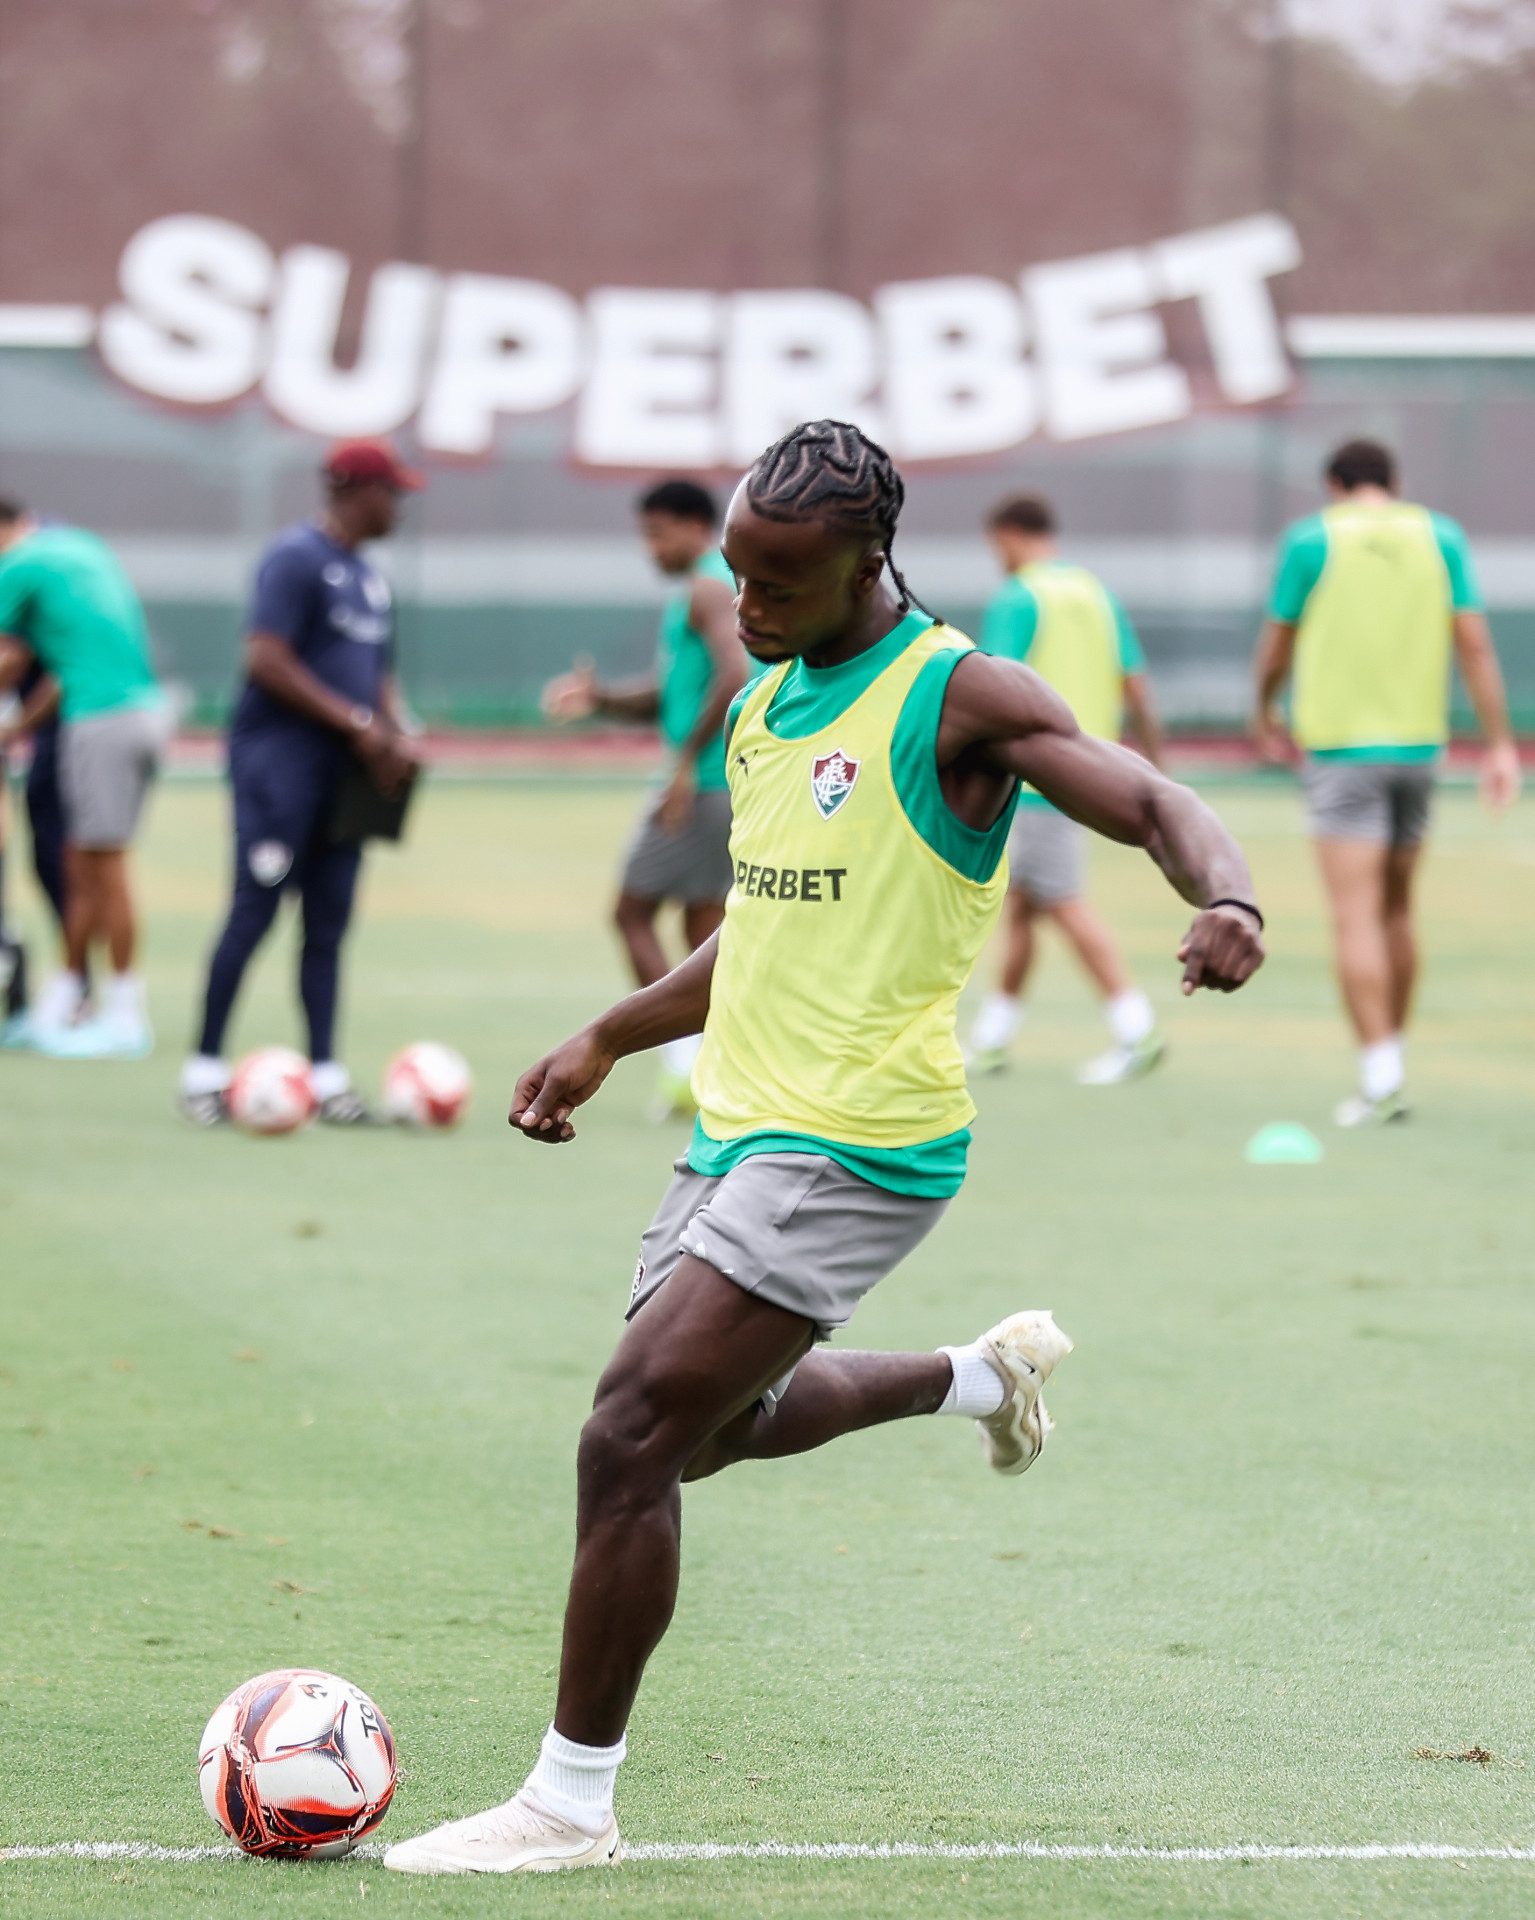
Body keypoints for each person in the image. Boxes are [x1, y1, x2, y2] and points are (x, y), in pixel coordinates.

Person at [383, 420, 1265, 1877]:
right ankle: (977, 1377)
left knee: (627, 1434)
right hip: (737, 1128)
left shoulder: (958, 694)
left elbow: (1152, 797)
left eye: (778, 581)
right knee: (708, 1433)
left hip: (862, 1137)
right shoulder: (765, 703)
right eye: (737, 572)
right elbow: (759, 925)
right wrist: (610, 1034)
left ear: (869, 559)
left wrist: (1226, 899)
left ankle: (564, 1807)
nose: (749, 604)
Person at [1253, 437, 1520, 1126]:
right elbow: (1475, 643)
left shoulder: (1311, 539)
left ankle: (1378, 1074)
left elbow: (1276, 642)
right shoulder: (1441, 536)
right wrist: (1497, 743)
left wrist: (1263, 707)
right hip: (1418, 750)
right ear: (1392, 483)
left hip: (1341, 750)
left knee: (1354, 915)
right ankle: (1391, 1056)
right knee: (1398, 909)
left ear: (1333, 483)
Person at [177, 439, 423, 1125]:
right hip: (278, 767)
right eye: (390, 493)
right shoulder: (295, 558)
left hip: (345, 780)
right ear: (353, 489)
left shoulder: (370, 578)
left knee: (328, 924)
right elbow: (265, 657)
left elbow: (379, 672)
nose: (398, 506)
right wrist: (357, 723)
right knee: (253, 911)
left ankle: (324, 1076)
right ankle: (202, 1072)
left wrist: (396, 732)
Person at [542, 480, 750, 1118]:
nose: (649, 548)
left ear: (694, 527)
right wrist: (601, 699)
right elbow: (674, 692)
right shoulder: (715, 585)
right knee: (701, 925)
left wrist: (685, 764)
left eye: (657, 533)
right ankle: (721, 1066)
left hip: (704, 781)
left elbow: (735, 673)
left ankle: (682, 1067)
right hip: (734, 780)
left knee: (631, 914)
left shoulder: (707, 586)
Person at [965, 493, 1168, 1084]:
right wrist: (1155, 764)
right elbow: (1135, 682)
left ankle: (1137, 1026)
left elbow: (991, 685)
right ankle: (993, 1037)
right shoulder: (1092, 592)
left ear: (1008, 535)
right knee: (1024, 903)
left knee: (1060, 900)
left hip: (1034, 778)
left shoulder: (1020, 595)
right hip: (1087, 770)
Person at [0, 497, 169, 1056]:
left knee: (106, 866)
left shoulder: (20, 564)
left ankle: (125, 1015)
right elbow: (64, 670)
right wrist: (16, 728)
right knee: (80, 860)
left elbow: (8, 659)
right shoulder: (78, 547)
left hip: (103, 720)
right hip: (129, 711)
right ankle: (66, 996)